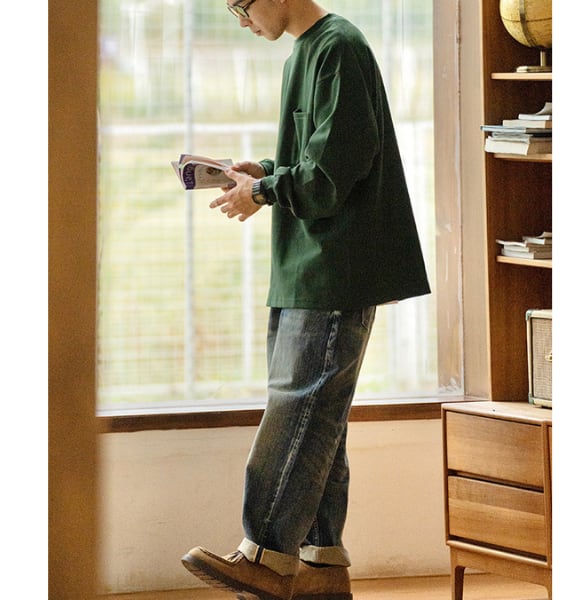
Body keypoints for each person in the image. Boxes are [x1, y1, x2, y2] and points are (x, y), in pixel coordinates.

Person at [181, 1, 430, 599]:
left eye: (241, 6)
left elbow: (334, 172)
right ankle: (321, 564)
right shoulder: (309, 52)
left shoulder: (339, 47)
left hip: (333, 267)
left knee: (300, 408)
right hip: (308, 265)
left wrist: (264, 189)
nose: (241, 20)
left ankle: (265, 555)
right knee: (320, 420)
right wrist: (263, 171)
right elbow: (318, 160)